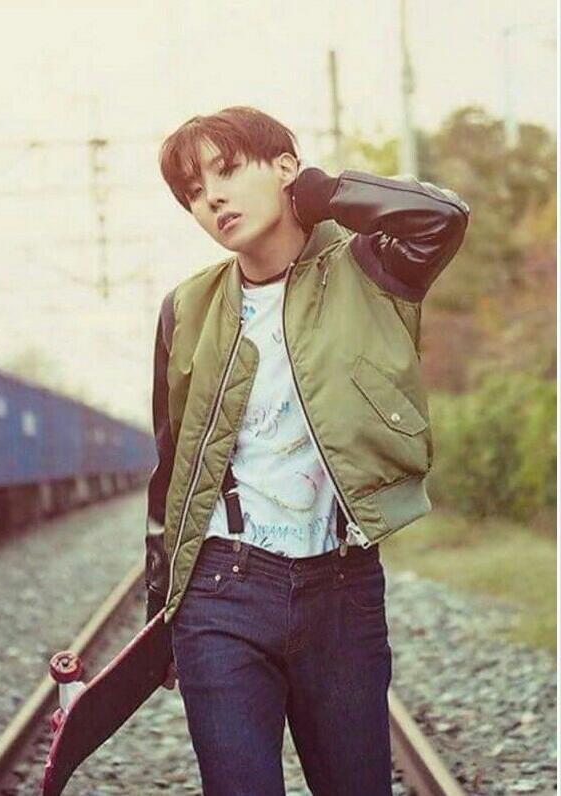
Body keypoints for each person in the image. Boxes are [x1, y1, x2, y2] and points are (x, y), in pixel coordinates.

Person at [144, 105, 470, 795]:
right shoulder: (187, 308)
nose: (213, 199)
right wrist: (160, 606)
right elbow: (172, 468)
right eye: (194, 192)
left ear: (286, 166)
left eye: (229, 171)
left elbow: (443, 216)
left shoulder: (372, 268)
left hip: (341, 590)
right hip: (220, 591)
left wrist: (322, 193)